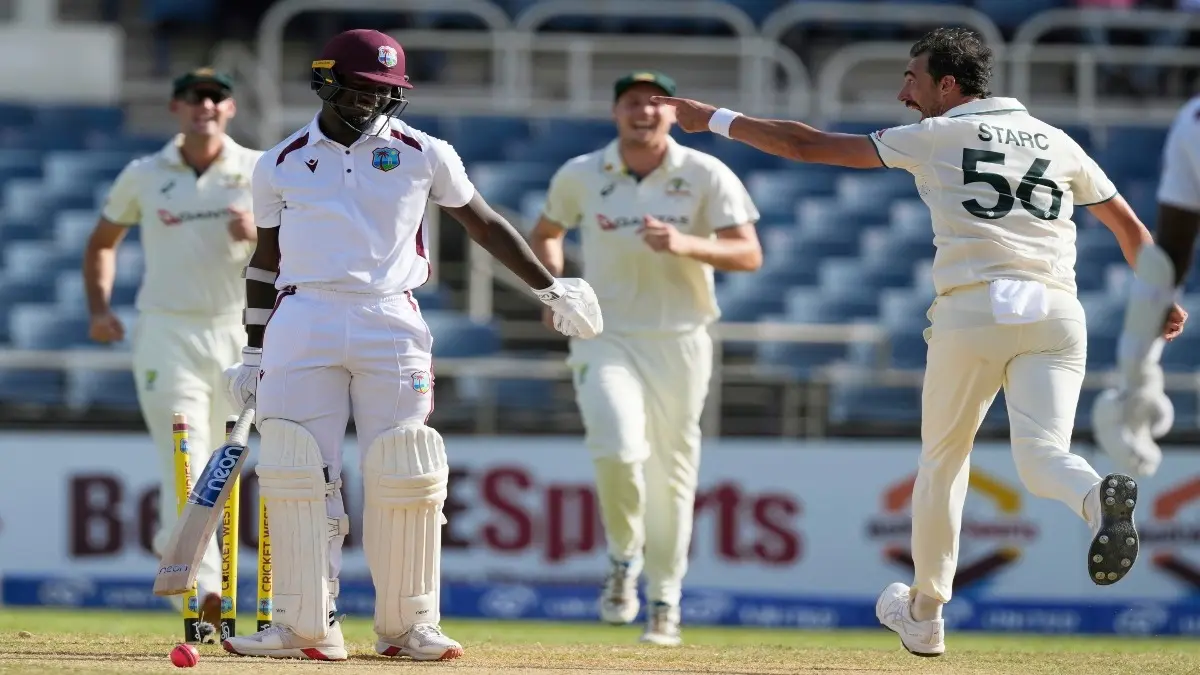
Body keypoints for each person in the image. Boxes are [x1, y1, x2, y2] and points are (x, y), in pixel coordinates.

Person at [653, 26, 1188, 657]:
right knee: (1043, 454)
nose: (904, 90)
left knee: (943, 464)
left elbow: (803, 144)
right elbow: (1130, 227)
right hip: (1057, 313)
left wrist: (708, 117)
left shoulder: (939, 135)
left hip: (975, 309)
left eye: (913, 77)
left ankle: (927, 614)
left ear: (949, 84)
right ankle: (1096, 498)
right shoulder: (1057, 140)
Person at [219, 29, 602, 662]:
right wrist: (254, 350)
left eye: (385, 91)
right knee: (295, 471)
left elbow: (484, 224)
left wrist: (550, 289)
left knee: (405, 468)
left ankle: (409, 626)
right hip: (302, 318)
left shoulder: (424, 152)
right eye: (361, 88)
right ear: (326, 81)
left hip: (390, 319)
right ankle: (304, 627)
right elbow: (265, 264)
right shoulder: (279, 161)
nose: (371, 102)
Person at [528, 70, 761, 647]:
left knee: (673, 476)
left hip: (682, 338)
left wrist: (685, 244)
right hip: (603, 333)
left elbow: (749, 253)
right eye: (634, 103)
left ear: (673, 115)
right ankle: (622, 557)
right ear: (616, 113)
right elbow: (548, 231)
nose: (646, 113)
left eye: (658, 104)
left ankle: (665, 601)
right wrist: (552, 285)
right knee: (619, 448)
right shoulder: (582, 173)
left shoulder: (706, 173)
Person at [83, 67, 261, 634]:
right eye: (193, 97)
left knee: (223, 463)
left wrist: (256, 232)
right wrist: (99, 309)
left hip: (237, 332)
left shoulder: (257, 169)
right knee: (183, 456)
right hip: (166, 331)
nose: (205, 105)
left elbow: (305, 239)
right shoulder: (145, 173)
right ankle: (204, 585)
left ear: (229, 109)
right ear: (175, 107)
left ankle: (180, 555)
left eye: (216, 97)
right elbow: (101, 243)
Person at [1092, 94, 1200, 476]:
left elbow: (1164, 267)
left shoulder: (1191, 119)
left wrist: (1137, 374)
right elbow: (1164, 266)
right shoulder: (1191, 121)